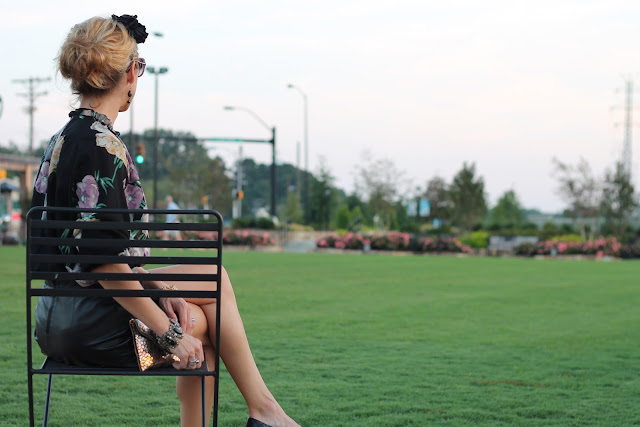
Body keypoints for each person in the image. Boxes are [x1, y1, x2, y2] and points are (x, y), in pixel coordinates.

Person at [31, 15, 299, 427]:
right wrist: (169, 332)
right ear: (126, 74)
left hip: (54, 316)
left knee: (213, 276)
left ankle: (266, 412)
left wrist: (157, 288)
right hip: (91, 328)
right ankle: (264, 413)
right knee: (208, 322)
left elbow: (90, 254)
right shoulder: (101, 147)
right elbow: (102, 263)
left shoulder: (65, 139)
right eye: (138, 66)